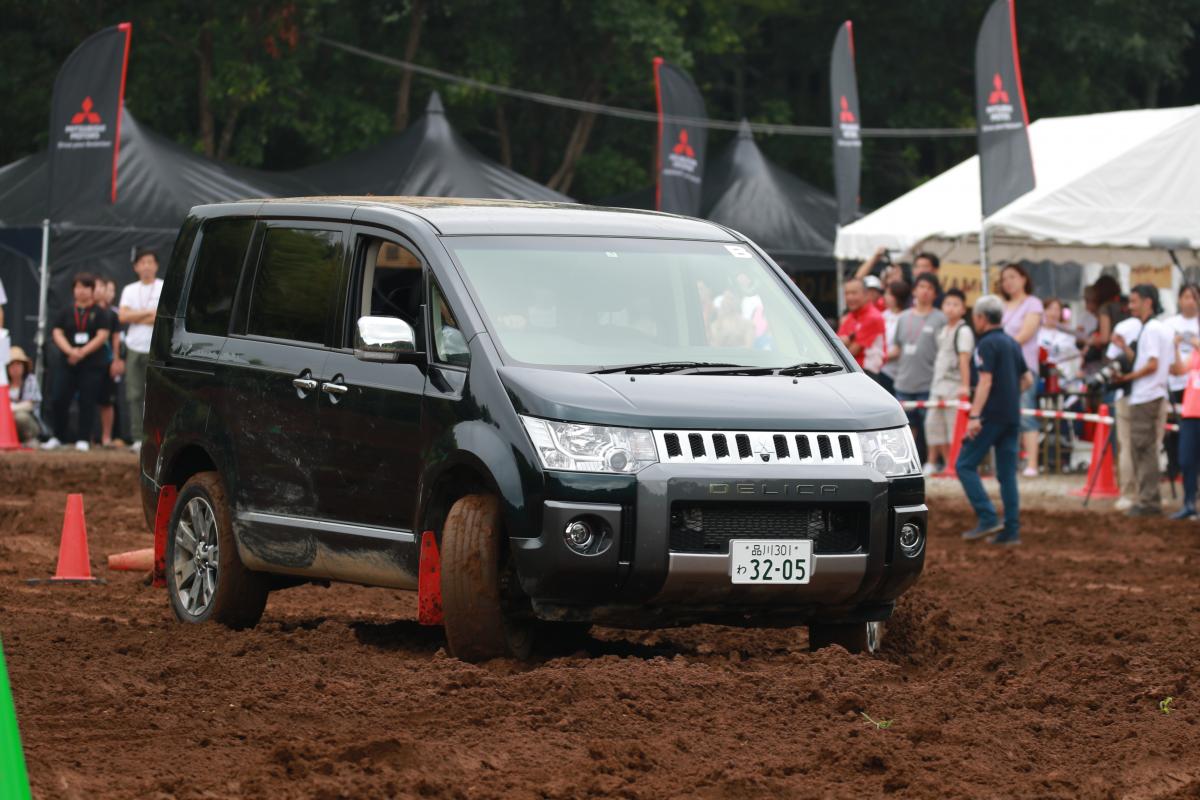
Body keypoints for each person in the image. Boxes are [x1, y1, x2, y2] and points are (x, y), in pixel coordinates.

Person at [959, 295, 1033, 545]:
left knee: (964, 464)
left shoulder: (986, 344)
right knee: (1007, 474)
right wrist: (1009, 396)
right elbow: (1027, 380)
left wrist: (975, 415)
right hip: (1012, 415)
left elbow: (985, 381)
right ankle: (1011, 530)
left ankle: (988, 516)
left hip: (991, 416)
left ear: (981, 318)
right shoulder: (1012, 343)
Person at [1109, 284, 1172, 517]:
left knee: (1143, 449)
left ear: (1148, 302)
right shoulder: (1157, 328)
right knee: (1145, 448)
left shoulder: (1152, 329)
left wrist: (1126, 377)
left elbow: (1151, 364)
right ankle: (1148, 498)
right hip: (1152, 394)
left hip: (1146, 395)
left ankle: (1148, 501)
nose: (1130, 306)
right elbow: (1162, 365)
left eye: (1134, 301)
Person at [43, 273, 110, 451]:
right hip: (68, 362)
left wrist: (82, 352)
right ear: (73, 290)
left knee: (87, 400)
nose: (82, 291)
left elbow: (102, 335)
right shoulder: (65, 311)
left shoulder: (100, 313)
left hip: (91, 364)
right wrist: (70, 351)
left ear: (92, 290)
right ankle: (58, 436)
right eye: (78, 287)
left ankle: (83, 438)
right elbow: (57, 333)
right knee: (59, 397)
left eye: (86, 287)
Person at [891, 273, 946, 466]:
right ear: (914, 290)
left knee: (932, 425)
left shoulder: (941, 318)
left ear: (935, 293)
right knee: (907, 426)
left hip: (929, 381)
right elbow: (897, 348)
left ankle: (931, 462)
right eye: (921, 286)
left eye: (930, 288)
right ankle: (908, 463)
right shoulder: (904, 317)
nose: (925, 291)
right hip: (904, 380)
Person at [999, 263, 1044, 476]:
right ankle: (1012, 462)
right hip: (1003, 367)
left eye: (1012, 277)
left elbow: (1025, 334)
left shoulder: (1032, 303)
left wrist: (1002, 349)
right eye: (1004, 278)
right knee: (1007, 416)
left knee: (1026, 413)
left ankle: (1032, 463)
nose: (1008, 282)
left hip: (1023, 366)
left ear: (1023, 278)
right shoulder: (1002, 305)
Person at [118, 248, 163, 451]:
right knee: (134, 393)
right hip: (134, 347)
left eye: (150, 262)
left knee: (155, 394)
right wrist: (147, 314)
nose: (146, 266)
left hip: (155, 347)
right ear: (136, 267)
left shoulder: (163, 286)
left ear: (156, 265)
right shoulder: (129, 289)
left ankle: (155, 437)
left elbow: (161, 316)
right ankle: (137, 437)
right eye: (142, 262)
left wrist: (136, 315)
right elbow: (123, 317)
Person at [924, 289, 974, 474]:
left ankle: (955, 465)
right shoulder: (943, 330)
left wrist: (965, 385)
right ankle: (947, 463)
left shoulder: (964, 330)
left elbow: (964, 359)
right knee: (934, 424)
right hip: (938, 383)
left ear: (963, 309)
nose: (951, 308)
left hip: (954, 384)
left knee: (954, 427)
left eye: (955, 304)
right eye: (948, 304)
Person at [1162, 284, 1200, 482]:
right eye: (1186, 296)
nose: (1190, 301)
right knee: (1173, 430)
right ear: (1179, 299)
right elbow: (1174, 365)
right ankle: (1173, 467)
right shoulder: (1169, 324)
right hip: (1176, 384)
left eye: (1194, 297)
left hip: (1195, 391)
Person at [1170, 329, 1200, 519]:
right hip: (1190, 413)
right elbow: (1178, 370)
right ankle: (1189, 503)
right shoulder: (1195, 353)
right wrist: (1175, 346)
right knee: (1187, 461)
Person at [837, 278, 885, 377]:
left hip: (866, 373)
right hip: (851, 371)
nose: (849, 297)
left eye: (854, 293)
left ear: (866, 295)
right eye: (847, 293)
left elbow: (849, 353)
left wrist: (846, 342)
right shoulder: (850, 316)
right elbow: (837, 345)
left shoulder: (873, 317)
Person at [95, 277, 123, 446]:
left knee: (107, 401)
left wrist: (116, 360)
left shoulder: (112, 314)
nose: (100, 290)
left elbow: (116, 338)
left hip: (107, 363)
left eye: (103, 287)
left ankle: (106, 437)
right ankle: (87, 437)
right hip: (89, 365)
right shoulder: (88, 311)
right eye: (97, 287)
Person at [877, 280, 910, 395]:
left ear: (897, 296)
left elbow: (900, 349)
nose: (885, 297)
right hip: (880, 368)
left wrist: (880, 357)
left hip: (895, 371)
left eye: (889, 294)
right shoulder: (883, 315)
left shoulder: (906, 317)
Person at [6, 346, 43, 446]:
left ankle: (29, 440)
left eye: (18, 364)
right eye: (12, 365)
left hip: (28, 423)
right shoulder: (4, 383)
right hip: (6, 424)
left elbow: (29, 405)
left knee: (20, 417)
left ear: (24, 366)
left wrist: (9, 409)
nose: (15, 368)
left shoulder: (30, 380)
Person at [1038, 298, 1081, 383]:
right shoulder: (1035, 333)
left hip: (1063, 379)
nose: (1053, 313)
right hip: (1040, 378)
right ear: (1043, 311)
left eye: (1057, 309)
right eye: (1050, 309)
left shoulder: (1068, 334)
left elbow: (1075, 356)